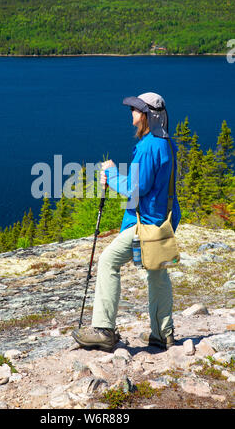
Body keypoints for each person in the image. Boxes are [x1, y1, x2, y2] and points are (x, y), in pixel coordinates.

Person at [72, 92, 182, 352]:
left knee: (109, 261)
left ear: (147, 116)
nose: (132, 115)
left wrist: (110, 174)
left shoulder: (148, 146)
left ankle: (103, 330)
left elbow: (137, 188)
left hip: (144, 223)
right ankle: (162, 334)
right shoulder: (166, 143)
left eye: (135, 110)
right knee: (157, 272)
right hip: (162, 222)